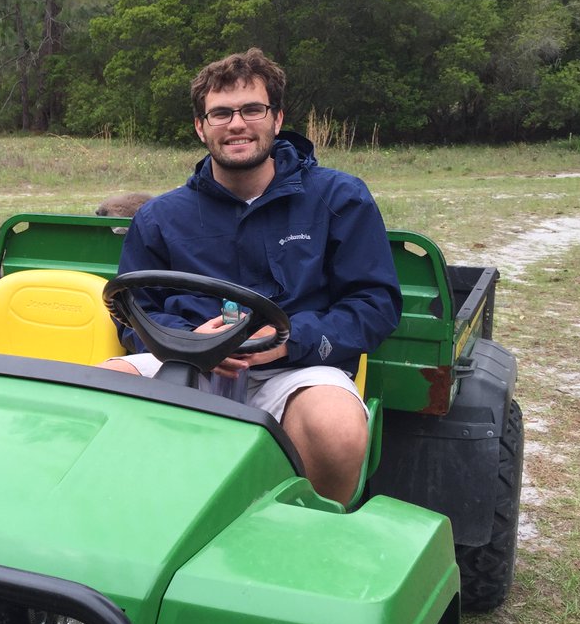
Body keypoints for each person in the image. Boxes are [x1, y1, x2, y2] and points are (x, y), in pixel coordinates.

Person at [100, 48, 401, 506]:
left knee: (335, 429)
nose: (236, 124)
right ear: (201, 127)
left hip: (297, 370)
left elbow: (374, 305)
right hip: (184, 363)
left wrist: (290, 338)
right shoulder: (161, 216)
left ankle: (311, 536)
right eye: (220, 113)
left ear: (277, 118)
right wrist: (186, 341)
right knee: (96, 394)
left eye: (251, 110)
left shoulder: (338, 198)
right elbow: (133, 313)